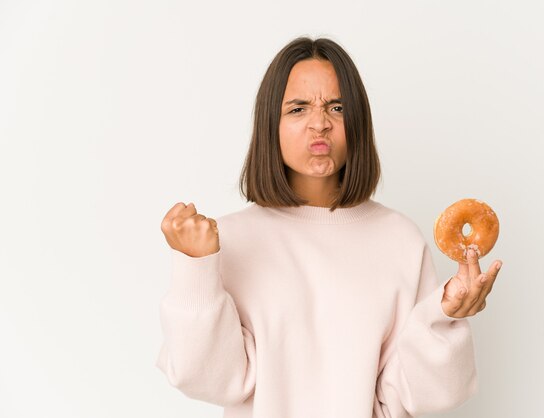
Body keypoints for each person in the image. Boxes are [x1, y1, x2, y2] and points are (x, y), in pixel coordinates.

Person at [156, 36, 503, 418]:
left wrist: (445, 317)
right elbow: (209, 379)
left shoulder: (399, 238)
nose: (320, 123)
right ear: (270, 122)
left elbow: (422, 395)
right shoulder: (229, 241)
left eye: (336, 107)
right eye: (298, 108)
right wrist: (195, 268)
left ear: (357, 121)